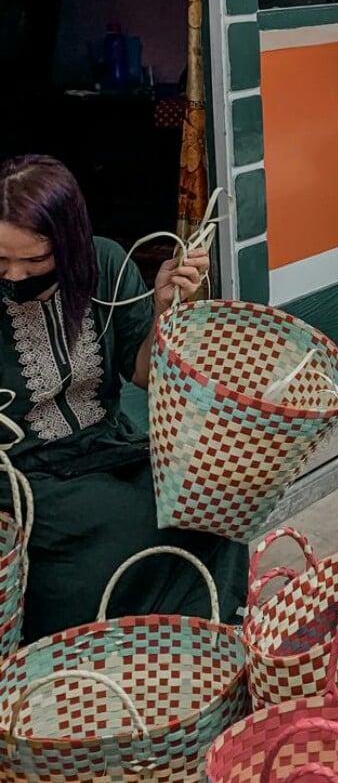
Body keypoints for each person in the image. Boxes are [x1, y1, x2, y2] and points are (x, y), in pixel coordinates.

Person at [0, 155, 246, 643]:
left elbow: (142, 373)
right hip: (29, 469)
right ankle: (106, 649)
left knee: (217, 499)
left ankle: (206, 639)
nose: (15, 273)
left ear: (69, 242)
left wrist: (163, 311)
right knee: (121, 520)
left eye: (34, 259)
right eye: (1, 259)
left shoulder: (105, 264)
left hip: (109, 445)